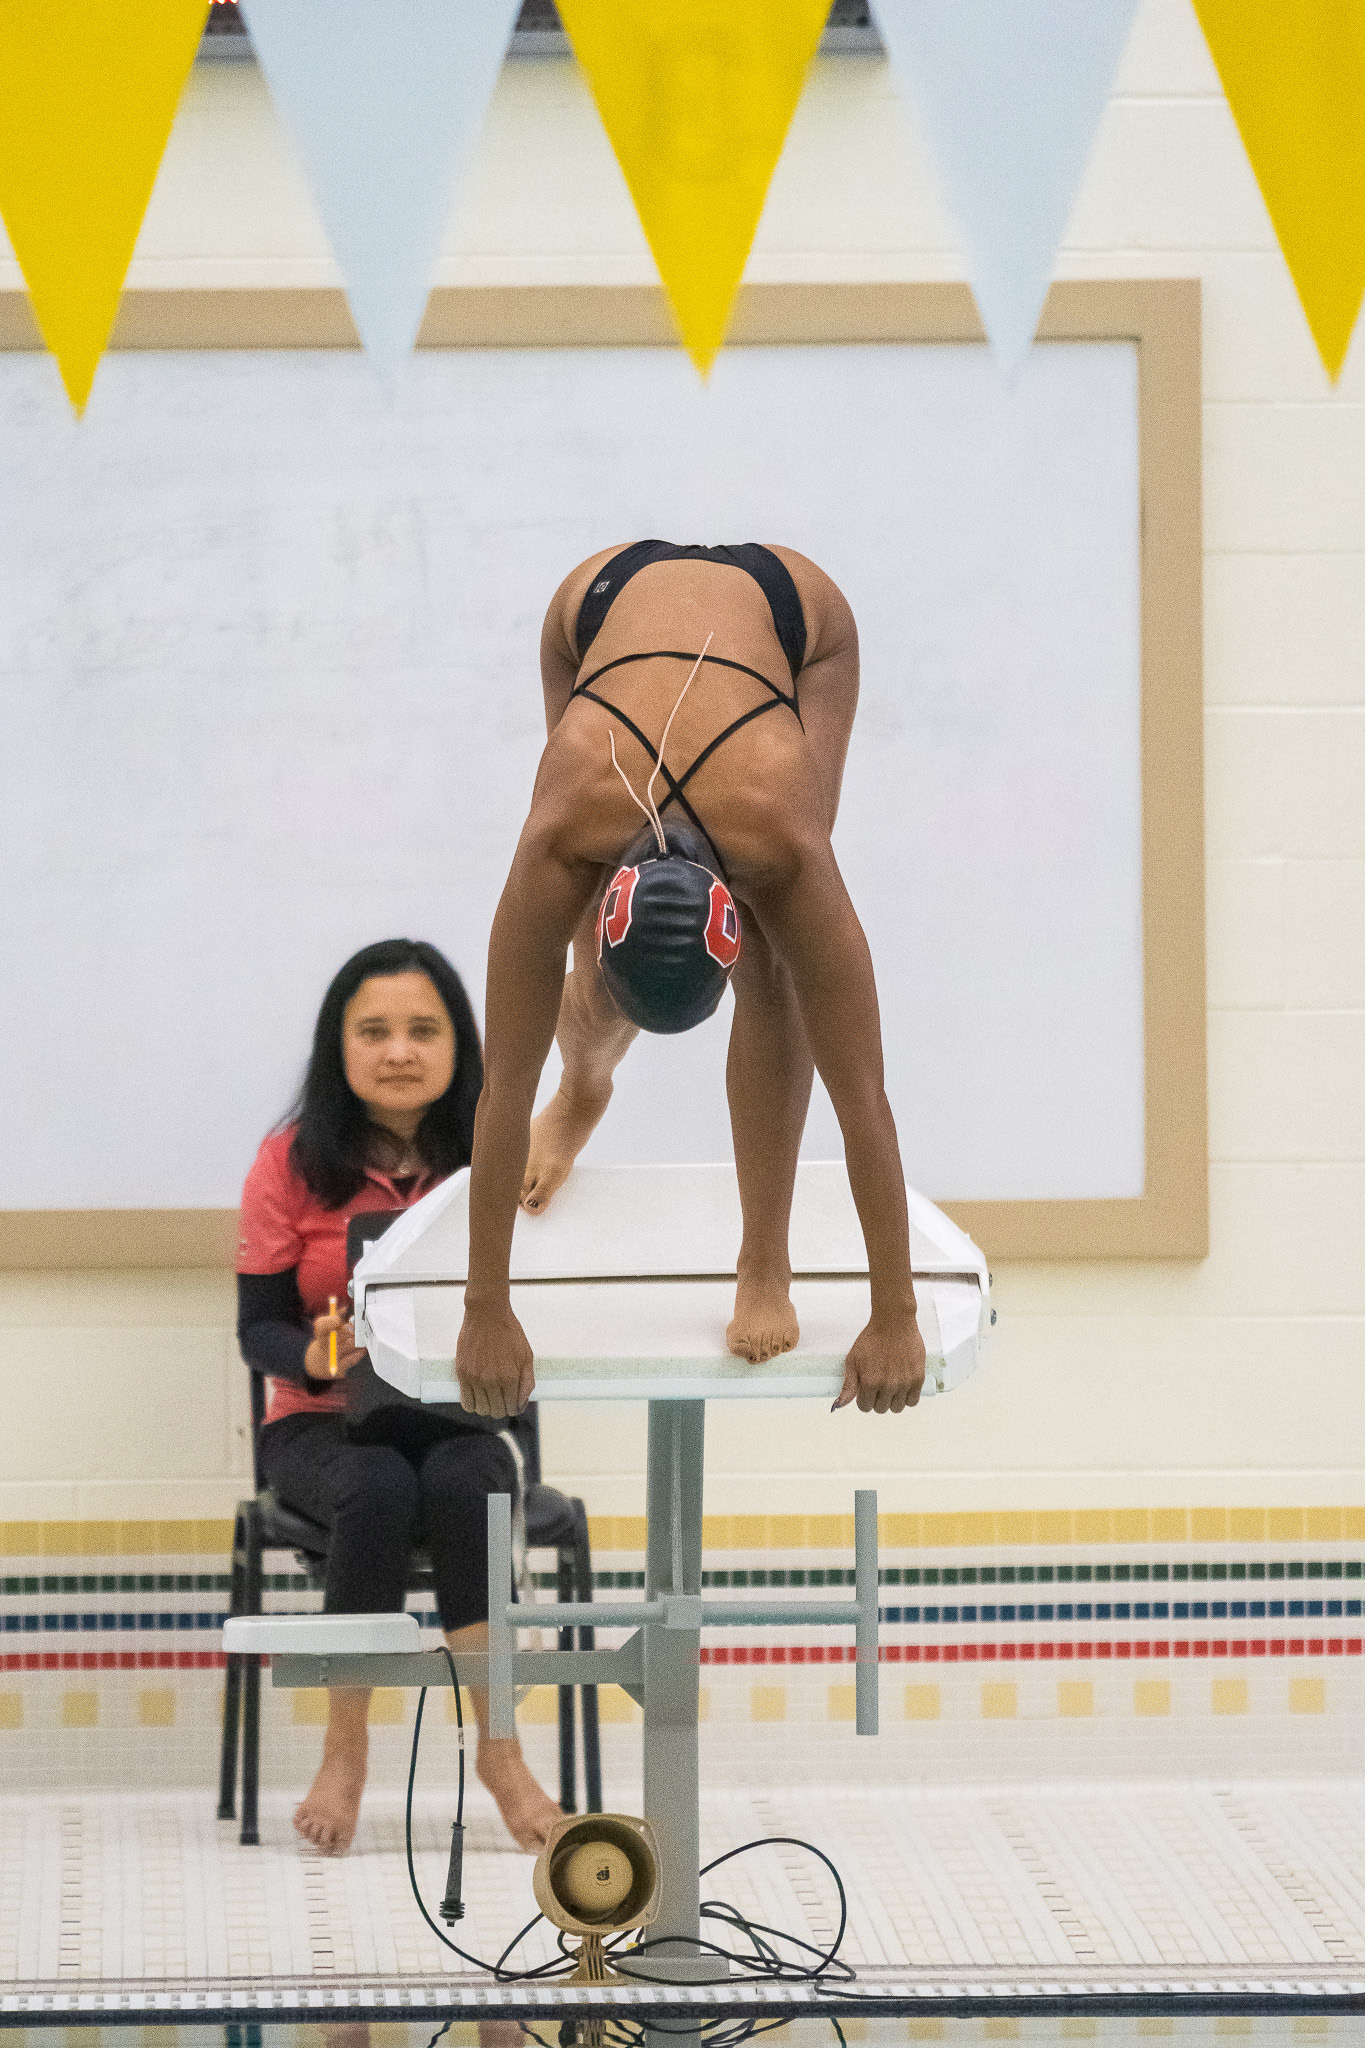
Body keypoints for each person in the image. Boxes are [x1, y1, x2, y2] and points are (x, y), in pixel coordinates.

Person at [453, 540, 928, 1423]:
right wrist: (485, 1309)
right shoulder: (561, 832)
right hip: (596, 606)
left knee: (776, 969)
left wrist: (894, 1315)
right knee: (574, 981)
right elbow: (502, 1085)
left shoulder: (784, 839)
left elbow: (862, 1097)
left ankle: (764, 1260)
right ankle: (584, 1088)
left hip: (795, 619)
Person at [236, 938, 562, 1857]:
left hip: (464, 1418)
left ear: (461, 1044)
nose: (399, 1051)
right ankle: (345, 1750)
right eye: (374, 1031)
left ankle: (501, 1755)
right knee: (377, 1484)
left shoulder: (501, 1157)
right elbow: (256, 1329)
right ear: (337, 1047)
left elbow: (547, 1302)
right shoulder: (287, 1163)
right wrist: (312, 1354)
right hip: (320, 1425)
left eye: (423, 1030)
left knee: (465, 1482)